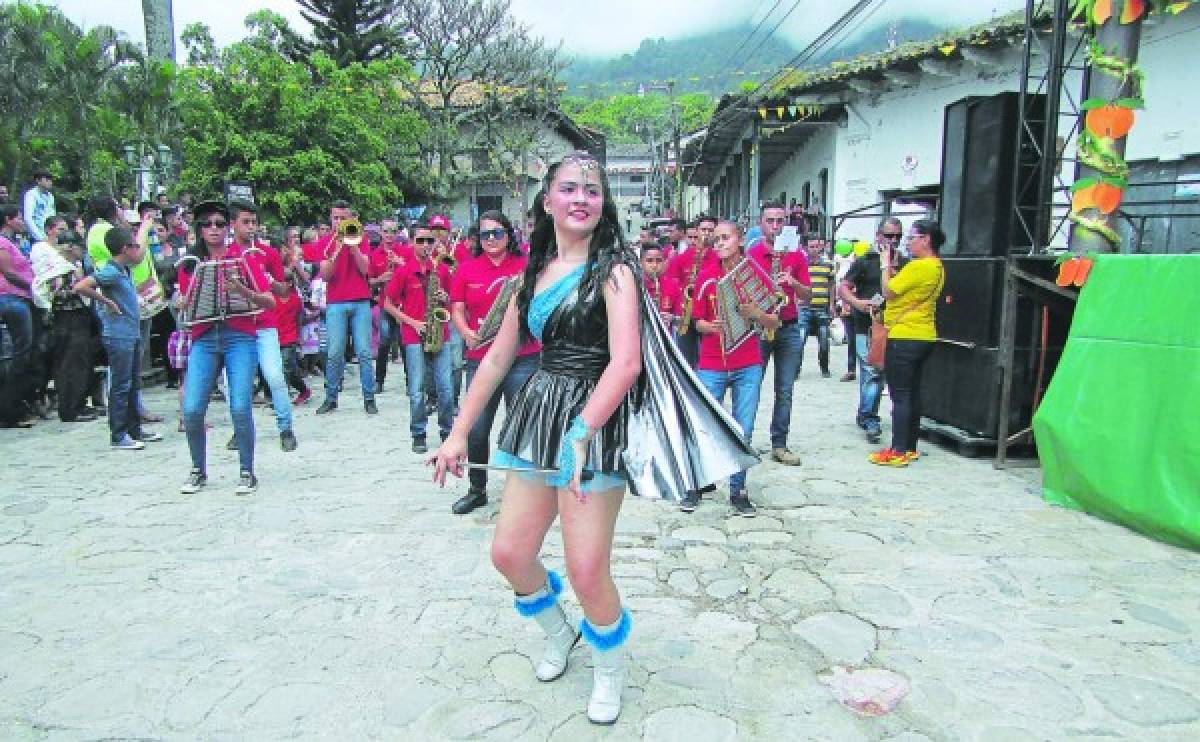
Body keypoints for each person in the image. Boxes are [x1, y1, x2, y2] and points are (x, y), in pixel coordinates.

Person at [428, 152, 645, 725]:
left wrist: (583, 431)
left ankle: (608, 667)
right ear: (546, 201)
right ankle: (559, 631)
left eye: (592, 190)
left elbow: (625, 363)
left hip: (593, 423)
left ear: (604, 203)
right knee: (510, 552)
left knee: (586, 568)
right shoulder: (533, 275)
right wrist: (455, 436)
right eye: (569, 189)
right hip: (535, 419)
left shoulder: (617, 270)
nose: (581, 199)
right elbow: (496, 359)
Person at [175, 201, 275, 494]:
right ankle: (197, 469)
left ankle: (247, 471)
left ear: (228, 226)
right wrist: (181, 303)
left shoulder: (243, 258)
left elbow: (268, 301)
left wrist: (241, 290)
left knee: (240, 406)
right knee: (192, 408)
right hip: (204, 337)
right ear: (199, 230)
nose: (214, 229)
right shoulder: (190, 263)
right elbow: (182, 308)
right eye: (207, 224)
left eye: (220, 223)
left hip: (239, 335)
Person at [447, 210, 538, 515]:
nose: (491, 240)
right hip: (479, 356)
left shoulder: (526, 265)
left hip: (524, 356)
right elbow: (456, 308)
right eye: (485, 234)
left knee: (522, 425)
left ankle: (525, 490)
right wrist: (466, 333)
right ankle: (477, 489)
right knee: (476, 427)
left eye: (497, 233)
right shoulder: (467, 269)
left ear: (509, 234)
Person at [688, 220, 779, 516]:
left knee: (744, 428)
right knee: (703, 424)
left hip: (747, 362)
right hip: (713, 362)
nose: (720, 243)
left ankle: (737, 488)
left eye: (725, 238)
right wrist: (705, 326)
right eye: (716, 239)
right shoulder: (706, 276)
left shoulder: (755, 274)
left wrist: (756, 314)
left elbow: (775, 320)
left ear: (740, 240)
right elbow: (696, 321)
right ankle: (697, 482)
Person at [71, 227, 163, 449]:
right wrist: (106, 302)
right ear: (125, 249)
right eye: (134, 246)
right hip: (119, 335)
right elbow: (81, 286)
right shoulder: (111, 271)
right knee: (121, 385)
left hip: (130, 333)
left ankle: (134, 429)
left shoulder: (123, 271)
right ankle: (119, 434)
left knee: (132, 384)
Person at [869, 219, 945, 467]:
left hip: (905, 335)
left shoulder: (919, 267)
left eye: (912, 237)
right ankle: (909, 446)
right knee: (912, 393)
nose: (908, 242)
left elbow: (889, 291)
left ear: (926, 240)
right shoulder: (937, 267)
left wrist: (883, 265)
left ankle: (898, 450)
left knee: (899, 394)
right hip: (924, 334)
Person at [226, 200, 297, 452]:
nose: (251, 227)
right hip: (236, 325)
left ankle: (286, 428)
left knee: (275, 377)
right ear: (233, 224)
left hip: (264, 323)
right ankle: (240, 429)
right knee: (235, 383)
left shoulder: (267, 253)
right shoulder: (226, 254)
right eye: (245, 222)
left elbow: (282, 289)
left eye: (253, 222)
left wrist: (266, 279)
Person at [747, 201, 811, 466]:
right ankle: (744, 442)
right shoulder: (752, 255)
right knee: (751, 387)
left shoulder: (796, 255)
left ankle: (779, 444)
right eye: (770, 221)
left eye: (780, 221)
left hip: (788, 326)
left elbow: (808, 295)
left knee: (785, 390)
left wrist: (792, 282)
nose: (775, 226)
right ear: (761, 223)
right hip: (760, 327)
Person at [382, 221, 455, 454]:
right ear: (412, 243)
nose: (425, 245)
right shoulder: (404, 271)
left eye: (429, 241)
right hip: (413, 335)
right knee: (416, 389)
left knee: (446, 388)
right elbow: (387, 303)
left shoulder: (441, 269)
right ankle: (418, 433)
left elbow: (455, 301)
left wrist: (446, 297)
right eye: (420, 240)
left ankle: (447, 431)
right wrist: (412, 322)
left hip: (439, 333)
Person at [310, 200, 377, 415]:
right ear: (331, 220)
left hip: (360, 300)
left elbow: (366, 269)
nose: (339, 222)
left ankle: (369, 398)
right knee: (334, 353)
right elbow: (326, 275)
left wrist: (353, 246)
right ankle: (331, 397)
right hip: (336, 301)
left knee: (364, 352)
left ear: (351, 219)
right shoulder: (325, 243)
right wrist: (338, 248)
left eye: (343, 218)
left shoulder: (362, 238)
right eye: (335, 218)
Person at [839, 219, 898, 445]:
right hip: (866, 325)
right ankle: (869, 417)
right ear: (878, 235)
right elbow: (843, 287)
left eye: (897, 237)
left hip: (892, 325)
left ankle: (865, 412)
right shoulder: (865, 262)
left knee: (876, 373)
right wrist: (857, 303)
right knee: (873, 371)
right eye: (889, 235)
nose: (893, 241)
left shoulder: (902, 262)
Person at [32, 216, 95, 421]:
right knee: (71, 364)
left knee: (77, 362)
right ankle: (71, 408)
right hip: (68, 318)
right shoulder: (58, 267)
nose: (81, 252)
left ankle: (77, 404)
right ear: (69, 247)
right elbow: (59, 293)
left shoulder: (69, 265)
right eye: (78, 248)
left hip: (75, 318)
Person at [0, 204, 37, 428]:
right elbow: (8, 272)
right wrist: (33, 286)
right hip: (10, 298)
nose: (23, 221)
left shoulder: (13, 242)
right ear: (8, 219)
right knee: (20, 354)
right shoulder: (3, 242)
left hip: (16, 298)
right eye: (19, 217)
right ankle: (10, 410)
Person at [664, 215, 717, 368]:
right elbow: (672, 285)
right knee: (685, 361)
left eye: (710, 230)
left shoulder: (718, 258)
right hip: (685, 315)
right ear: (697, 231)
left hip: (709, 316)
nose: (706, 234)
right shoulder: (680, 259)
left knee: (709, 361)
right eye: (703, 230)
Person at [797, 237, 834, 378]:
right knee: (799, 342)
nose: (814, 249)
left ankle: (824, 367)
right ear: (807, 247)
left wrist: (831, 304)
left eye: (817, 246)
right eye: (811, 246)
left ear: (821, 247)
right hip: (805, 308)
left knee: (824, 341)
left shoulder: (828, 264)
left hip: (822, 307)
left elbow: (832, 286)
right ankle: (796, 370)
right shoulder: (802, 264)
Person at [639, 241, 681, 330]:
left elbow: (683, 320)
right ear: (641, 263)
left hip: (664, 338)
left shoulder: (673, 285)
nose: (654, 265)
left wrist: (672, 318)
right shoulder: (635, 286)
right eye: (649, 261)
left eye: (658, 260)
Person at [22, 170, 55, 244]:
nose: (50, 182)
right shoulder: (31, 194)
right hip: (35, 236)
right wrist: (39, 237)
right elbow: (28, 218)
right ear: (38, 180)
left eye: (50, 180)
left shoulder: (50, 196)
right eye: (47, 180)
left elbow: (52, 216)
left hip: (48, 234)